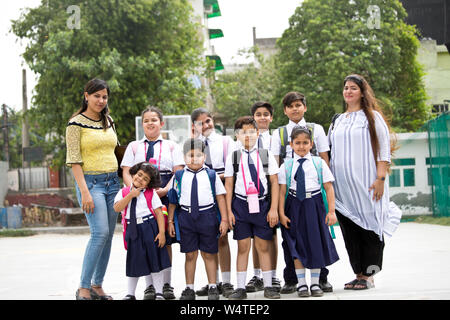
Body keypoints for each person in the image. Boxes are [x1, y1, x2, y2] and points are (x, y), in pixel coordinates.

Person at [328, 74, 394, 290]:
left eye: (353, 88)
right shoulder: (338, 120)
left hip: (367, 185)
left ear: (363, 92)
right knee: (350, 232)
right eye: (345, 87)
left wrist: (380, 179)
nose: (348, 91)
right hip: (342, 189)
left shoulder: (373, 117)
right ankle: (358, 274)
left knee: (371, 229)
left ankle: (369, 275)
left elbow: (384, 150)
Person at [270, 92, 333, 293]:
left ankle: (320, 279)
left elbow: (324, 157)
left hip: (314, 194)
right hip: (291, 194)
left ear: (305, 107)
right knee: (291, 240)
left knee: (318, 236)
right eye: (290, 106)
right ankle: (293, 280)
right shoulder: (278, 133)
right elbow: (275, 164)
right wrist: (279, 207)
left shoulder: (317, 129)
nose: (295, 109)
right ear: (285, 110)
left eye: (298, 105)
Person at [121, 106, 184, 299]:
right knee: (145, 240)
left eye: (154, 120)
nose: (150, 123)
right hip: (140, 196)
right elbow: (126, 170)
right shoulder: (134, 146)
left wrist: (165, 190)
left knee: (164, 240)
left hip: (164, 193)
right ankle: (149, 286)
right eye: (146, 120)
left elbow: (178, 171)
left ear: (161, 123)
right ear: (142, 124)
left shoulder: (172, 145)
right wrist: (135, 190)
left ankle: (166, 284)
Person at [66, 79, 121, 300]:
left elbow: (115, 151)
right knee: (100, 234)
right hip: (91, 184)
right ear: (86, 96)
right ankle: (83, 288)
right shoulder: (75, 124)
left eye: (104, 96)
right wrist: (85, 192)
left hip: (113, 184)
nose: (101, 100)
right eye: (96, 95)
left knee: (108, 237)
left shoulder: (109, 120)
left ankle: (97, 286)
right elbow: (74, 160)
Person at [278, 126, 339, 297]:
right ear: (291, 144)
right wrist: (281, 213)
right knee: (296, 244)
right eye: (297, 143)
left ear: (311, 144)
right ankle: (301, 284)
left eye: (305, 142)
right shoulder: (287, 165)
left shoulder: (319, 163)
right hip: (294, 205)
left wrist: (331, 211)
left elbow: (328, 187)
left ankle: (314, 283)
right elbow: (282, 191)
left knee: (315, 242)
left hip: (314, 204)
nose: (302, 146)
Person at [224, 116, 280, 300]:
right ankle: (240, 287)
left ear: (257, 132)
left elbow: (274, 182)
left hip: (262, 204)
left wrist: (273, 209)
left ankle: (269, 285)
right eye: (242, 132)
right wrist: (229, 211)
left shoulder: (265, 154)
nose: (247, 135)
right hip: (240, 205)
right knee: (243, 246)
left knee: (263, 245)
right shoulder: (234, 156)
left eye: (250, 131)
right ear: (236, 135)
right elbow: (229, 185)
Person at [167, 139, 229, 300]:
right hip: (186, 218)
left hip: (207, 216)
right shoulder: (179, 176)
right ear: (184, 157)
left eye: (198, 155)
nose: (194, 159)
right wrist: (171, 221)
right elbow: (173, 200)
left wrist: (224, 220)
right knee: (190, 254)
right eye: (191, 155)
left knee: (209, 253)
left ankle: (213, 286)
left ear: (204, 156)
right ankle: (189, 288)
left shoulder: (211, 175)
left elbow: (220, 198)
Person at [191, 108, 235, 297]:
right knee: (207, 239)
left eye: (208, 121)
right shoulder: (194, 145)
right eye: (200, 123)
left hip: (222, 190)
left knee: (222, 236)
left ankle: (226, 281)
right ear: (194, 126)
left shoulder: (226, 141)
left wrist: (215, 177)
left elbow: (234, 168)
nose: (206, 125)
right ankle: (212, 282)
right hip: (201, 194)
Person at [113, 162, 171, 300]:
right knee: (135, 261)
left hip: (149, 227)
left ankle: (158, 292)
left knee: (154, 259)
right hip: (133, 228)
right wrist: (130, 195)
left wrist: (161, 233)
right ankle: (130, 293)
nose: (140, 179)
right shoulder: (123, 192)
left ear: (148, 184)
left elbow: (158, 213)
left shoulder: (151, 194)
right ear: (134, 173)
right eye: (139, 175)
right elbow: (117, 208)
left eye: (145, 179)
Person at [245, 102, 280, 292]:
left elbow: (275, 167)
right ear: (253, 118)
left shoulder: (274, 139)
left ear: (271, 117)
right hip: (250, 193)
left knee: (270, 234)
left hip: (268, 191)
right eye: (258, 114)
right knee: (254, 236)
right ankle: (257, 275)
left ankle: (272, 275)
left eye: (266, 114)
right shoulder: (246, 139)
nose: (262, 117)